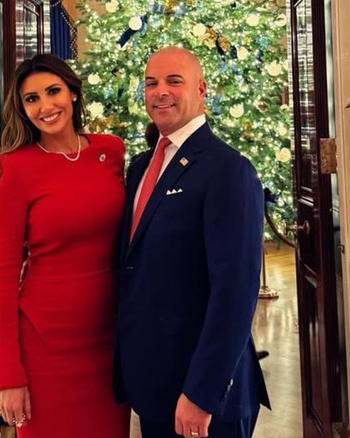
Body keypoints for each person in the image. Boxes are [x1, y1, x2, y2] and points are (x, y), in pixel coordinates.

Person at [114, 47, 270, 438]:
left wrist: (201, 393)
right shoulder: (140, 167)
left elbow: (235, 292)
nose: (160, 91)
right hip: (154, 386)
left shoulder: (228, 170)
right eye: (151, 83)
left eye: (173, 81)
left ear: (201, 90)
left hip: (203, 397)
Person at [0, 53, 130, 438]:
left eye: (53, 91)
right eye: (31, 99)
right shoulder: (15, 168)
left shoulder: (111, 152)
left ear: (72, 93)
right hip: (45, 347)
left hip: (109, 343)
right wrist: (8, 373)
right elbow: (3, 277)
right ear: (21, 109)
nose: (45, 106)